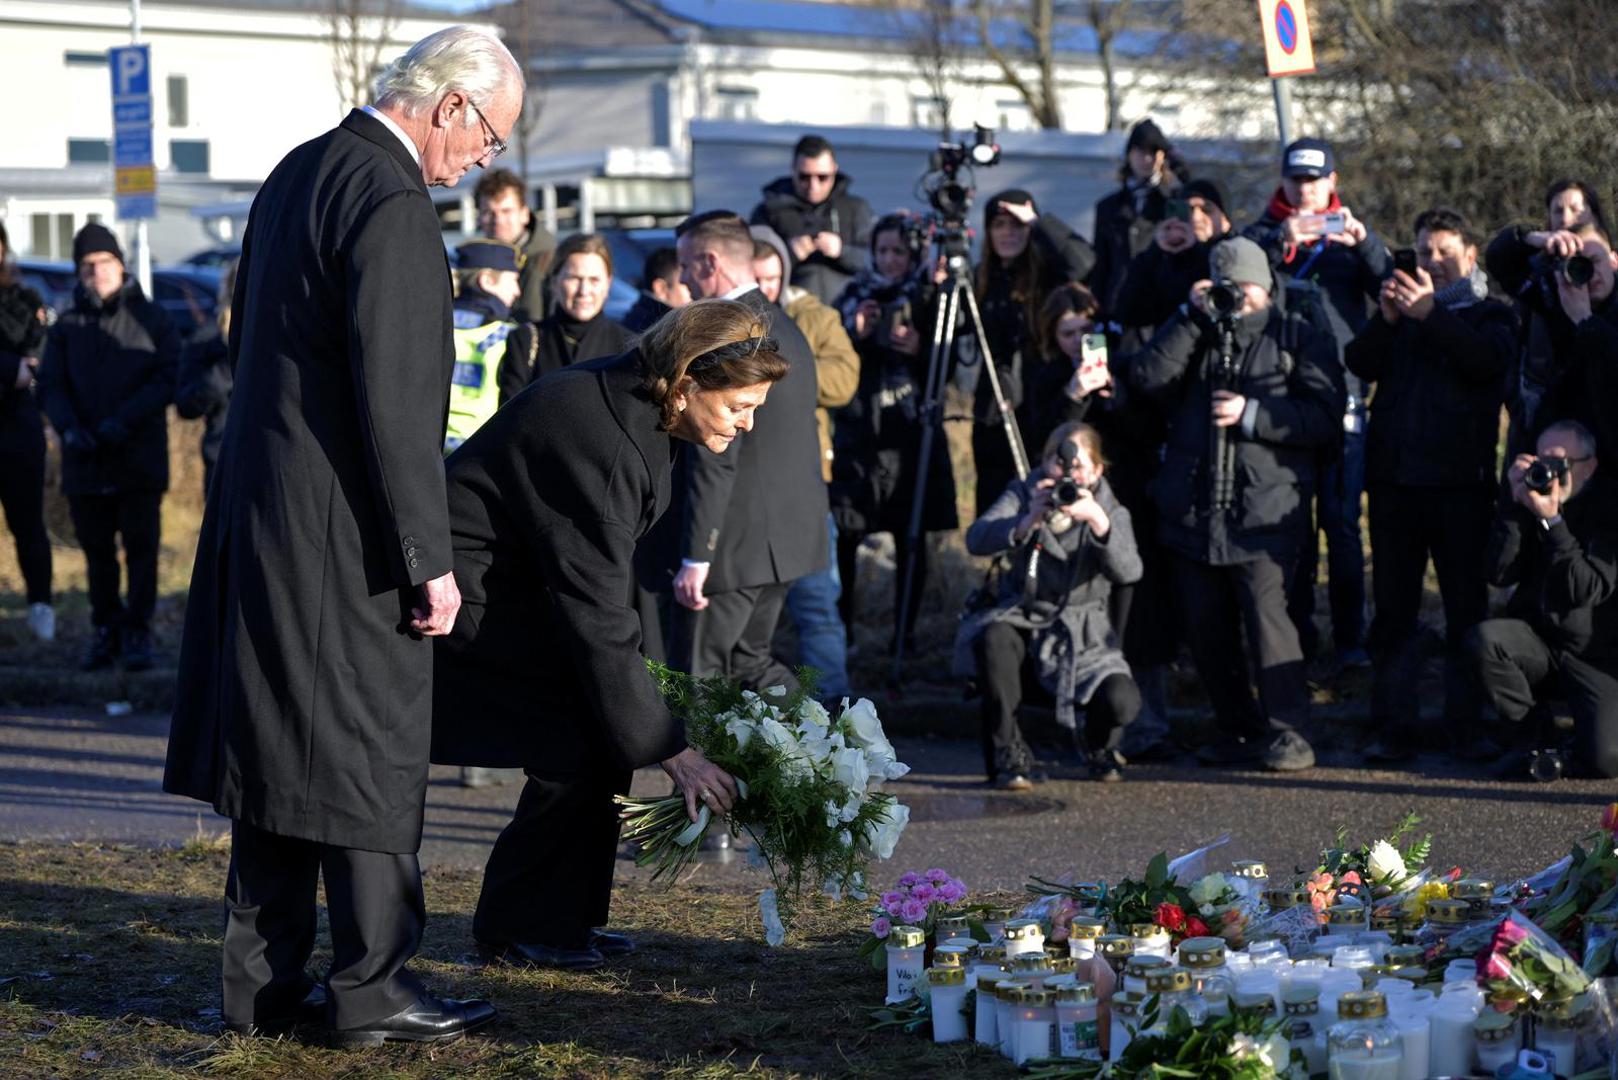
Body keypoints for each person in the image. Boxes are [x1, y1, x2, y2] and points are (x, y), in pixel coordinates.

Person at [162, 25, 520, 1044]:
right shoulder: (393, 200)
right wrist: (429, 560)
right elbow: (399, 403)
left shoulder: (299, 170)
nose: (482, 161)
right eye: (488, 137)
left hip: (263, 516)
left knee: (274, 750)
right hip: (346, 537)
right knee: (368, 750)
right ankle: (373, 988)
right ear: (449, 105)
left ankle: (260, 988)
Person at [432, 299, 774, 969]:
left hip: (527, 586)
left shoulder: (636, 407)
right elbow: (594, 609)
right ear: (687, 383)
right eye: (739, 406)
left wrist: (645, 721)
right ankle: (513, 929)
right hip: (471, 592)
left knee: (604, 734)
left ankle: (568, 922)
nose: (747, 424)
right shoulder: (603, 436)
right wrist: (672, 750)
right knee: (570, 739)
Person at [1123, 236, 1344, 773]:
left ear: (1265, 288)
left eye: (1244, 287)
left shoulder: (1297, 336)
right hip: (1194, 514)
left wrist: (1252, 414)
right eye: (1226, 288)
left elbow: (1322, 416)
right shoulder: (1196, 332)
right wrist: (1189, 315)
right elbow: (1147, 378)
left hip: (1264, 515)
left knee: (1272, 628)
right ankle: (1237, 730)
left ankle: (1290, 734)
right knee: (1206, 631)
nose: (1236, 299)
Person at [1344, 208, 1517, 763]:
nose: (1433, 262)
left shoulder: (1492, 314)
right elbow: (1359, 361)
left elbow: (1486, 363)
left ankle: (1468, 725)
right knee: (1394, 609)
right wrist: (1391, 318)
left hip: (1461, 489)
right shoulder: (1400, 315)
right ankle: (1392, 725)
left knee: (1466, 607)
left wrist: (1430, 315)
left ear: (1470, 255)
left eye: (1444, 251)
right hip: (1395, 486)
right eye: (1423, 251)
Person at [643, 211, 827, 690]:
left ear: (709, 262)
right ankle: (825, 753)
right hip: (781, 540)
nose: (680, 278)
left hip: (732, 544)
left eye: (685, 265)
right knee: (749, 667)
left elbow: (716, 449)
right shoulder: (782, 322)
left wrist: (697, 556)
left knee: (700, 683)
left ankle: (826, 752)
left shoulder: (733, 334)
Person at [1244, 137, 1390, 670]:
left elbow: (1392, 284)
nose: (1305, 191)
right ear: (1283, 182)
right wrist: (1279, 241)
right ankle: (1296, 639)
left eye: (1314, 180)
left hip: (1344, 392)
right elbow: (1238, 269)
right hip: (1281, 393)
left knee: (1342, 522)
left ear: (1333, 182)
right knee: (1290, 526)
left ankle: (1350, 640)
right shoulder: (1263, 231)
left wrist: (1364, 240)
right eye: (1296, 180)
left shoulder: (1351, 236)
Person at [955, 422, 1142, 788]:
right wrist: (1024, 523)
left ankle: (1099, 745)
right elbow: (976, 538)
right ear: (1044, 464)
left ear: (1097, 471)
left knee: (1123, 701)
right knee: (994, 636)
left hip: (1085, 639)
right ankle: (1010, 754)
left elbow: (1131, 570)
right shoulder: (1026, 493)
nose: (1066, 477)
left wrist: (1099, 523)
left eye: (1079, 469)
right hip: (1026, 623)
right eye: (1058, 465)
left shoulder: (1109, 509)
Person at [1033, 283, 1173, 758]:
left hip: (1127, 513)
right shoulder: (1048, 377)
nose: (1078, 342)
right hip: (1064, 524)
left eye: (1087, 331)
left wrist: (1117, 399)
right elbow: (1039, 441)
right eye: (1068, 333)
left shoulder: (1125, 370)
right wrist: (1074, 396)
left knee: (1143, 619)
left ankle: (1149, 726)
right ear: (1053, 336)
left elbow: (1149, 435)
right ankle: (1087, 731)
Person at [37, 223, 178, 673]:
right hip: (86, 459)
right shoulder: (67, 326)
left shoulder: (150, 319)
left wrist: (127, 420)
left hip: (137, 455)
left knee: (141, 549)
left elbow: (168, 377)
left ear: (120, 264)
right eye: (86, 266)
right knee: (97, 553)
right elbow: (51, 384)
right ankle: (106, 629)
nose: (95, 272)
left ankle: (138, 630)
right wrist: (68, 427)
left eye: (103, 263)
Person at [829, 212, 956, 652]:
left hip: (908, 434)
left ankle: (906, 636)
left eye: (898, 252)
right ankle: (841, 631)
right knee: (846, 534)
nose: (889, 260)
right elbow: (835, 362)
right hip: (859, 433)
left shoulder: (930, 299)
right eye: (881, 250)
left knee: (911, 536)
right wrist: (857, 333)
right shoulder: (852, 295)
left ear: (913, 253)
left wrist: (922, 347)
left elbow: (951, 366)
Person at [1469, 420, 1618, 779]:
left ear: (1589, 466)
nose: (1548, 474)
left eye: (1558, 464)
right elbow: (1498, 574)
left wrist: (1553, 523)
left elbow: (1585, 589)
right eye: (1541, 462)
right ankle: (1534, 742)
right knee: (1487, 641)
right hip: (1542, 643)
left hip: (1596, 656)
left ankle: (1568, 751)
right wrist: (1513, 506)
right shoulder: (1526, 504)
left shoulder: (1608, 509)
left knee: (1606, 759)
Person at [752, 227, 858, 696]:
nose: (765, 289)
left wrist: (781, 372)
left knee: (818, 606)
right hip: (750, 489)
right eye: (757, 277)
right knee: (752, 616)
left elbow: (845, 379)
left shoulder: (812, 318)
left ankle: (832, 709)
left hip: (806, 485)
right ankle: (754, 714)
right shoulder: (728, 317)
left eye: (773, 278)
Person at [970, 189, 1096, 517]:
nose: (1008, 233)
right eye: (999, 225)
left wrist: (1040, 225)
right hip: (994, 405)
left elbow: (1084, 263)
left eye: (1017, 226)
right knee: (996, 503)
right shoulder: (979, 280)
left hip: (1041, 399)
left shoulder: (1048, 276)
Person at [1486, 202, 1618, 460]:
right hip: (1563, 451)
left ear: (1614, 259)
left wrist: (1583, 319)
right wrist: (1535, 238)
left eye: (1595, 261)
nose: (1591, 274)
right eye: (1579, 265)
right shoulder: (1556, 302)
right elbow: (1499, 260)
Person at [498, 232, 632, 403]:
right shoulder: (526, 339)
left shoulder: (627, 345)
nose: (584, 291)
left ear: (608, 284)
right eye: (574, 278)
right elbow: (509, 415)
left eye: (594, 280)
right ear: (554, 281)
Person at [0, 219, 54, 642]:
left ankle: (42, 611)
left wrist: (20, 371)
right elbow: (16, 368)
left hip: (18, 431)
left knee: (28, 525)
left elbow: (35, 364)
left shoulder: (25, 298)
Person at [749, 134, 873, 304]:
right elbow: (750, 264)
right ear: (793, 170)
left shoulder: (855, 208)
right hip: (789, 314)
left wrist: (841, 251)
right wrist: (788, 254)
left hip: (847, 312)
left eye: (822, 177)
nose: (813, 186)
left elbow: (877, 262)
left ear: (834, 170)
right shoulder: (770, 210)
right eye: (804, 177)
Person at [1111, 178, 1233, 342]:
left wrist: (1197, 251)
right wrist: (1157, 250)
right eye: (1188, 210)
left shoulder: (1236, 254)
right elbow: (1129, 314)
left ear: (1226, 220)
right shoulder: (1163, 257)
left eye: (1207, 209)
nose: (1196, 217)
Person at [1089, 119, 1187, 314]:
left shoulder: (1175, 201)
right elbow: (1100, 268)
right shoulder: (1108, 207)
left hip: (1161, 313)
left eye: (1154, 152)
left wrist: (1177, 162)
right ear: (1129, 155)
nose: (1147, 159)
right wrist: (1098, 321)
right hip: (1117, 311)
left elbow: (1199, 192)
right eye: (1140, 152)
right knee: (1098, 343)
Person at [444, 238, 523, 454]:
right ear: (487, 280)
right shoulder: (509, 335)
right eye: (513, 280)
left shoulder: (436, 325)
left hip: (430, 449)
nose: (517, 291)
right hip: (479, 453)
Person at [174, 261, 237, 496]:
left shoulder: (283, 335)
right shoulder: (208, 339)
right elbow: (186, 404)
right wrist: (224, 369)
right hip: (223, 465)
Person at [473, 167, 556, 323]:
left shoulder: (552, 262)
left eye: (506, 211)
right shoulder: (470, 265)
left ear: (525, 214)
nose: (498, 220)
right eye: (488, 212)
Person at [622, 247, 691, 333]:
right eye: (685, 284)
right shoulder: (662, 330)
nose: (692, 292)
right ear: (661, 288)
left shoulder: (636, 319)